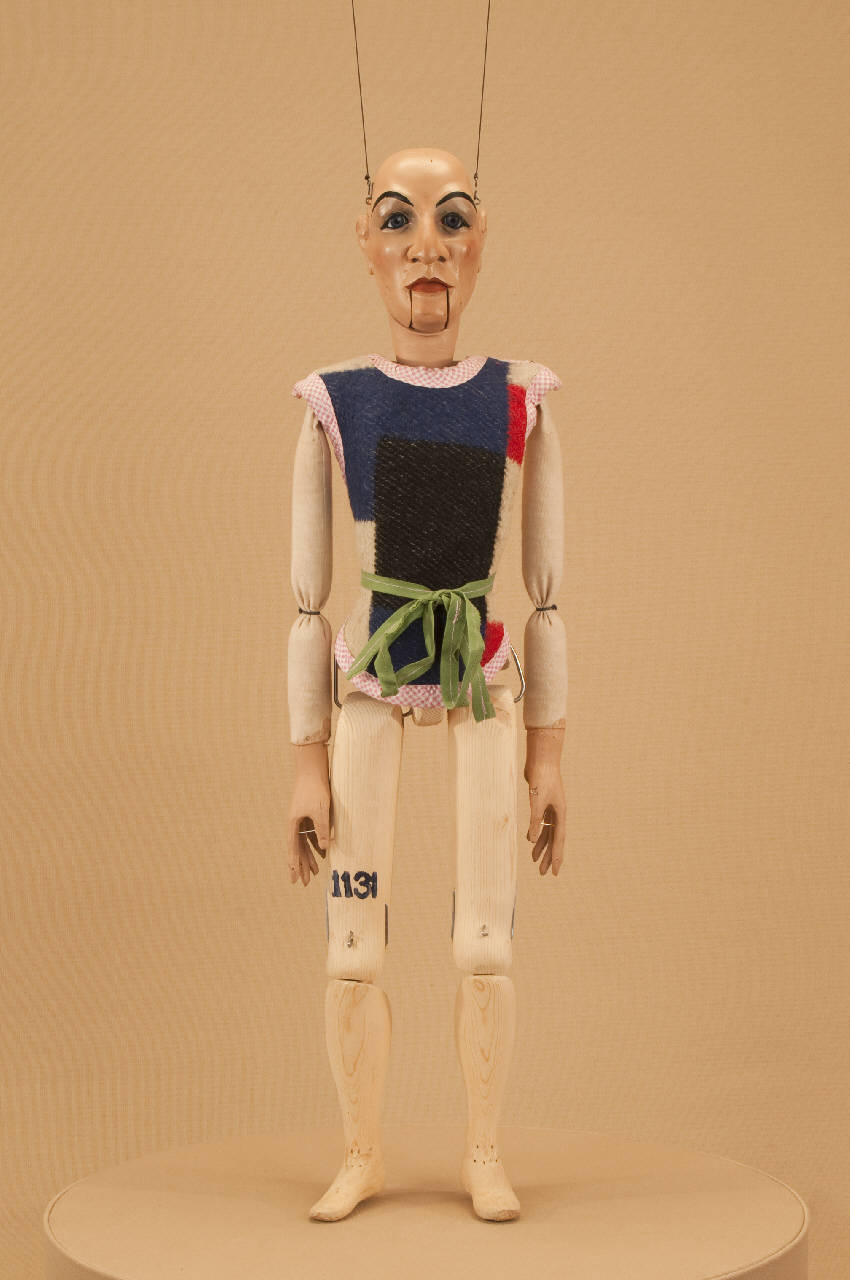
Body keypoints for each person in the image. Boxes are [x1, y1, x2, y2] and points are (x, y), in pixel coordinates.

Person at [287, 147, 567, 1222]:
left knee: (484, 938)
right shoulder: (337, 400)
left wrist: (548, 752)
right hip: (371, 677)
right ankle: (361, 1149)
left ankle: (483, 1150)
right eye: (398, 219)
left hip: (483, 677)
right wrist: (304, 759)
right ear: (365, 242)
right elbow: (309, 601)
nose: (426, 247)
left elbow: (545, 596)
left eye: (452, 218)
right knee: (352, 943)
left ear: (482, 239)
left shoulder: (518, 396)